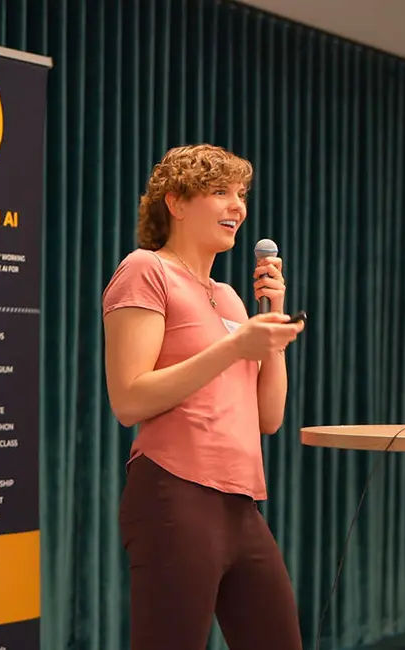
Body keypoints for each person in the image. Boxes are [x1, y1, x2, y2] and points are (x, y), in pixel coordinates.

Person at [102, 144, 305, 650]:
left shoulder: (230, 296)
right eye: (219, 192)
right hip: (174, 494)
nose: (237, 206)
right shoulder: (146, 270)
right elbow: (128, 399)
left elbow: (269, 418)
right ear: (175, 202)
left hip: (241, 504)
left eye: (242, 194)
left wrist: (272, 320)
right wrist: (234, 346)